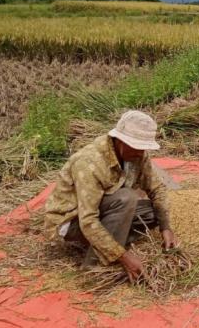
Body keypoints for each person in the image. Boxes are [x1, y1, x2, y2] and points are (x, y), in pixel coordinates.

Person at [43, 111, 178, 281]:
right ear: (120, 141)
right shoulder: (89, 162)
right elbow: (88, 220)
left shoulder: (137, 155)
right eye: (136, 146)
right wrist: (124, 256)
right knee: (127, 198)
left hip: (104, 209)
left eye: (144, 147)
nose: (141, 152)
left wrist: (166, 227)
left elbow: (157, 188)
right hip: (72, 220)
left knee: (152, 213)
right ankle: (94, 267)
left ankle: (109, 242)